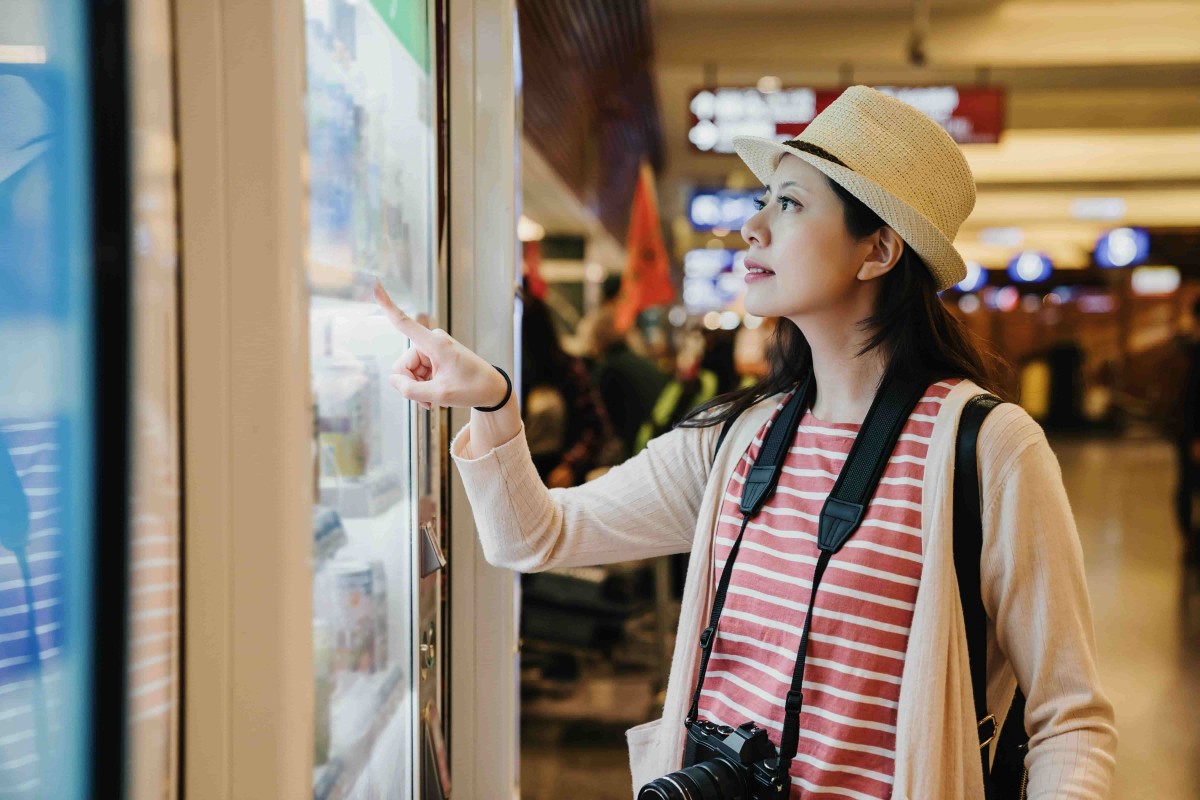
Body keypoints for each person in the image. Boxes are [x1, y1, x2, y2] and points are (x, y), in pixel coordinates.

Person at [377, 86, 1116, 798]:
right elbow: (534, 537)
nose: (751, 227)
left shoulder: (986, 450)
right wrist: (490, 399)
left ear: (879, 251)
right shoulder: (741, 439)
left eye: (789, 204)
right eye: (763, 200)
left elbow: (1069, 719)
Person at [518, 288, 615, 488]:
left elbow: (596, 425)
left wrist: (570, 465)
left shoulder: (566, 369)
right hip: (515, 475)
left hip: (558, 477)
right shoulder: (506, 369)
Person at [1172, 297, 1200, 562]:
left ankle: (1192, 540)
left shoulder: (1186, 348)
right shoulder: (1191, 351)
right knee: (1188, 486)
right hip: (1191, 434)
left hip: (1186, 432)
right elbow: (1192, 398)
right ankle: (1192, 542)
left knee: (1187, 487)